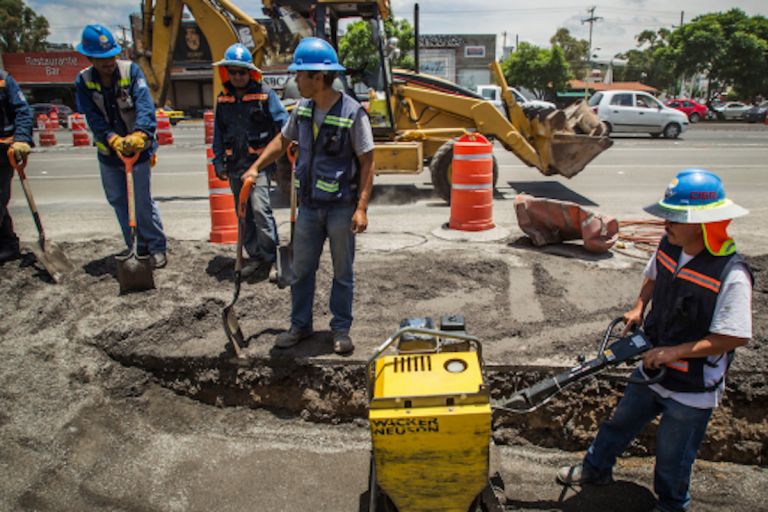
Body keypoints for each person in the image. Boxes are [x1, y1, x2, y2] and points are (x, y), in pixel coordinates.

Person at [557, 169, 753, 512]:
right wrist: (638, 307)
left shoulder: (730, 274)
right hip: (652, 366)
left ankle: (672, 505)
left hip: (692, 385)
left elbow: (732, 336)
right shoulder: (669, 246)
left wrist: (673, 353)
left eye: (675, 217)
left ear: (703, 222)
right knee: (619, 423)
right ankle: (595, 469)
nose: (666, 224)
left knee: (674, 454)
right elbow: (652, 277)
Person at [242, 37, 375, 355]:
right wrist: (255, 166)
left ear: (319, 77)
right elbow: (281, 141)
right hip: (310, 208)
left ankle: (340, 329)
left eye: (300, 74)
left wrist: (362, 208)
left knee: (343, 273)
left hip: (342, 208)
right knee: (301, 270)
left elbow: (368, 161)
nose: (295, 80)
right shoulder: (301, 109)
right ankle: (300, 326)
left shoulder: (352, 112)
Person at [75, 25, 167, 268]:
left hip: (138, 150)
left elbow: (145, 105)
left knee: (141, 201)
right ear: (89, 57)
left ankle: (156, 246)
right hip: (109, 153)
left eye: (111, 57)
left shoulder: (131, 71)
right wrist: (111, 138)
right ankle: (136, 247)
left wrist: (140, 134)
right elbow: (92, 117)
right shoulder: (84, 81)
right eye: (102, 59)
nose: (108, 63)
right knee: (118, 200)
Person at [211, 43, 288, 277]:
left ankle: (272, 257)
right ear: (226, 72)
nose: (237, 76)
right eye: (232, 71)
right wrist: (218, 162)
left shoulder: (265, 94)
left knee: (260, 210)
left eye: (241, 72)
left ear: (250, 73)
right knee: (243, 214)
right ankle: (255, 257)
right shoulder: (223, 99)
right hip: (235, 167)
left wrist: (291, 142)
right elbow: (218, 133)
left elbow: (284, 122)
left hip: (261, 166)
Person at [0, 70, 33, 263]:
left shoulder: (4, 80)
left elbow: (22, 111)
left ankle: (9, 245)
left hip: (2, 152)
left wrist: (21, 140)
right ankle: (8, 244)